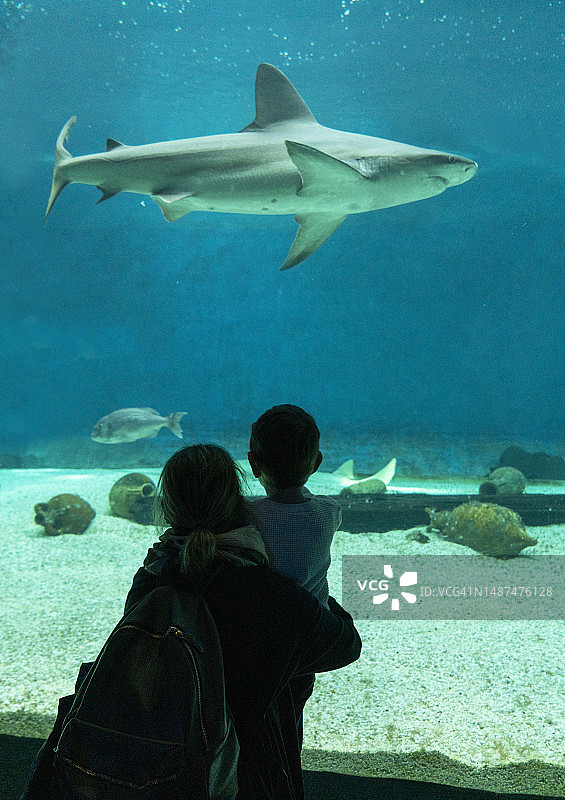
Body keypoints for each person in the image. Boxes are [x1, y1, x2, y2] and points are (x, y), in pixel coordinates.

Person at [125, 444, 361, 800]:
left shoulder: (149, 582)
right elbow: (346, 646)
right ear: (240, 503)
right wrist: (315, 588)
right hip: (249, 771)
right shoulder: (272, 594)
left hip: (153, 766)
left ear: (166, 507)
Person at [247, 405, 342, 747]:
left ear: (253, 463)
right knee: (292, 714)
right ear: (317, 462)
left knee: (254, 717)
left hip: (259, 639)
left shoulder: (247, 515)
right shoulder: (330, 512)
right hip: (306, 639)